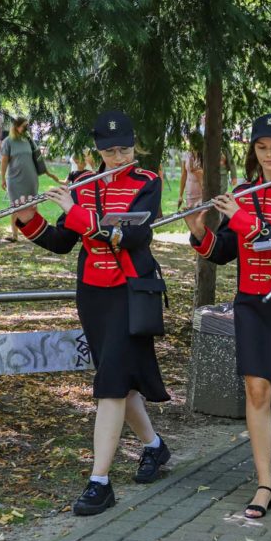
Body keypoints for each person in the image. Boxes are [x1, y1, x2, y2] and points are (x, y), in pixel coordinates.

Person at [13, 111, 171, 516]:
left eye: (125, 149)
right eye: (110, 151)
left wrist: (77, 211)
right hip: (93, 294)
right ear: (98, 151)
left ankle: (99, 481)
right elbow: (63, 241)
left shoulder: (147, 182)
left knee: (111, 384)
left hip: (130, 291)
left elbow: (132, 235)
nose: (119, 158)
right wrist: (29, 221)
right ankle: (154, 447)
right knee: (118, 382)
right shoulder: (82, 184)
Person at [185, 114, 271, 519]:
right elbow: (225, 251)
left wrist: (241, 217)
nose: (269, 155)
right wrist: (200, 233)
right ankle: (265, 484)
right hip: (250, 302)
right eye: (261, 148)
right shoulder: (243, 192)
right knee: (257, 392)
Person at [1, 117, 61, 242]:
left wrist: (49, 174)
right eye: (24, 126)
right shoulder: (8, 141)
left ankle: (36, 233)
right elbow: (4, 161)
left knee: (33, 205)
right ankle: (14, 235)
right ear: (16, 127)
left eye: (27, 126)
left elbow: (38, 159)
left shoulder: (28, 140)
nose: (26, 128)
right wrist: (2, 178)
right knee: (15, 207)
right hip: (15, 180)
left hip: (31, 179)